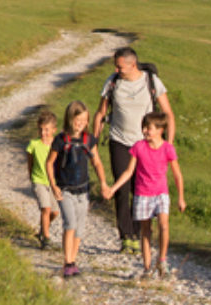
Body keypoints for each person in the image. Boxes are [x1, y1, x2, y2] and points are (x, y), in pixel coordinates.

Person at [93, 47, 175, 254]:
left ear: (132, 65)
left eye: (120, 66)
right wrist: (93, 139)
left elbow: (168, 114)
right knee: (122, 189)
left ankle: (137, 232)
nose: (116, 69)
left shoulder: (151, 82)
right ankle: (126, 236)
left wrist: (168, 145)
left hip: (145, 145)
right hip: (119, 141)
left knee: (140, 191)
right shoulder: (113, 82)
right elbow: (101, 112)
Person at [103, 112, 187, 279]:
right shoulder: (139, 147)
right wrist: (114, 188)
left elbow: (177, 174)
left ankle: (162, 260)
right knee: (145, 230)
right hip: (142, 194)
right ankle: (147, 268)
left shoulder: (167, 149)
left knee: (164, 224)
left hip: (161, 193)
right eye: (144, 127)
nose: (145, 131)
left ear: (160, 130)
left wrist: (181, 197)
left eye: (149, 128)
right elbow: (128, 172)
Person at [47, 101, 107, 278]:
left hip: (83, 190)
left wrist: (103, 182)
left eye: (83, 120)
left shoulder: (89, 140)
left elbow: (96, 162)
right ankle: (68, 262)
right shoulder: (60, 140)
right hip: (65, 189)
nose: (80, 123)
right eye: (77, 119)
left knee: (79, 228)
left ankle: (73, 260)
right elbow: (49, 163)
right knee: (70, 224)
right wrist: (53, 185)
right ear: (69, 119)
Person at [25, 110, 60, 249]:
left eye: (46, 130)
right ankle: (46, 238)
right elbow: (30, 162)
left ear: (53, 130)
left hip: (53, 182)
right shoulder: (33, 144)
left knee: (54, 212)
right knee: (45, 208)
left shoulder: (56, 145)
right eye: (40, 129)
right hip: (38, 180)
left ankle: (42, 229)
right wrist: (32, 178)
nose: (43, 133)